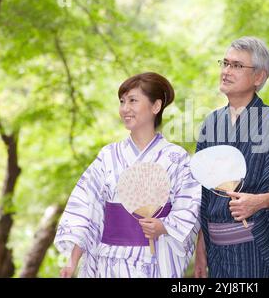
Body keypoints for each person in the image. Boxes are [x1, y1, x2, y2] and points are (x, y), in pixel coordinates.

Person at [54, 72, 201, 278]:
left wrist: (164, 226)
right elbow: (86, 208)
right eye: (122, 102)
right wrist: (72, 261)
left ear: (156, 106)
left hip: (156, 262)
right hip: (109, 262)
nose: (125, 109)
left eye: (133, 100)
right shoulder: (108, 155)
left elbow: (190, 207)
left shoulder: (177, 158)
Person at [193, 36, 269, 278]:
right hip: (216, 254)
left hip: (254, 251)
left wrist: (258, 201)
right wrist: (200, 247)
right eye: (224, 63)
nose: (226, 71)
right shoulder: (211, 124)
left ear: (259, 77)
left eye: (236, 66)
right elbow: (203, 194)